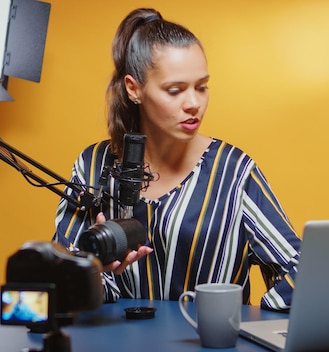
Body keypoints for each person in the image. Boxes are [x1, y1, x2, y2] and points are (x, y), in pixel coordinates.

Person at [53, 8, 300, 311]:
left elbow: (300, 274)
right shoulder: (93, 165)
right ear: (134, 89)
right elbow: (61, 281)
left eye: (202, 87)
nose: (194, 103)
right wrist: (96, 271)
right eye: (175, 90)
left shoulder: (234, 173)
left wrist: (249, 326)